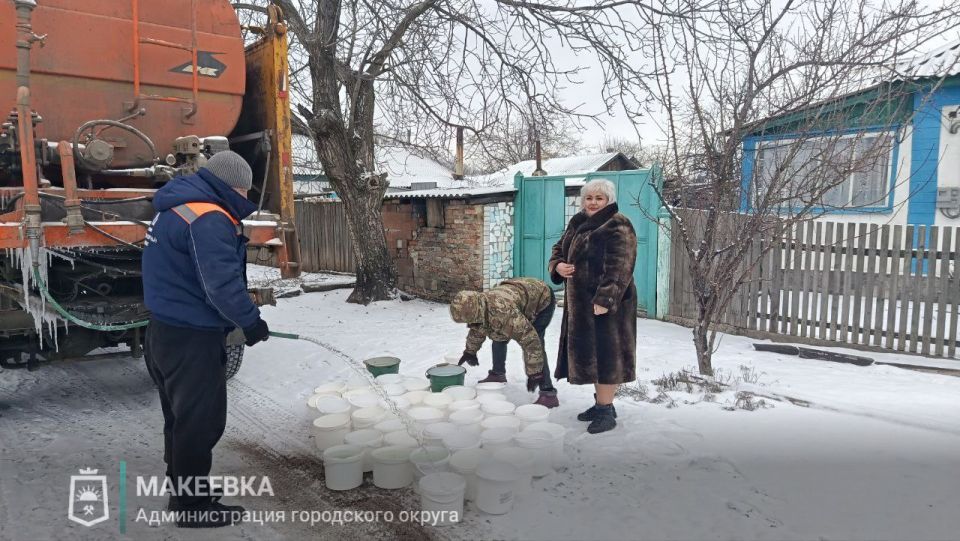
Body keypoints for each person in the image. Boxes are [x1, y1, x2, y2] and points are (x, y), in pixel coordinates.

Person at [142, 151, 271, 528]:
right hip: (192, 338)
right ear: (234, 186)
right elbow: (220, 287)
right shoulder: (209, 218)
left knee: (180, 419)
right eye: (245, 191)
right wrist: (251, 323)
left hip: (164, 331)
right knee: (201, 422)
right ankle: (191, 507)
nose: (245, 197)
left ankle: (186, 490)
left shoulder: (174, 207)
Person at [548, 178, 638, 434]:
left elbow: (621, 266)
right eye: (589, 198)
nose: (593, 202)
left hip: (609, 305)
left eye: (599, 198)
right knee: (591, 357)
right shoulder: (578, 221)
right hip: (581, 304)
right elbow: (559, 248)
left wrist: (605, 300)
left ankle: (606, 410)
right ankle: (601, 406)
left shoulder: (618, 224)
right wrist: (557, 265)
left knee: (607, 358)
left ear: (608, 200)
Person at [449, 277, 560, 408]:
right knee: (498, 334)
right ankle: (498, 374)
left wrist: (535, 373)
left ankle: (548, 393)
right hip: (519, 294)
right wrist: (470, 352)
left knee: (536, 341)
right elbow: (478, 328)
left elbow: (530, 341)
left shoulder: (505, 313)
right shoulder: (480, 305)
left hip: (542, 300)